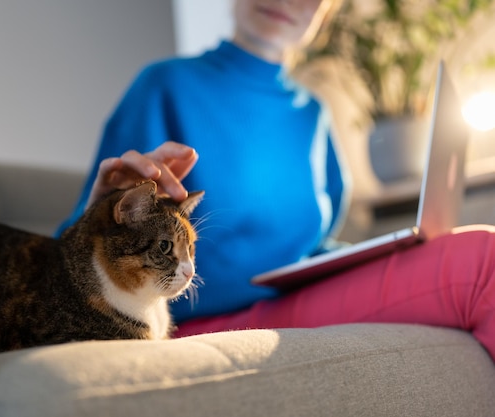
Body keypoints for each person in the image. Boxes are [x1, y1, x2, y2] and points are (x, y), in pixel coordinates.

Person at [58, 0, 495, 360]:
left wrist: (385, 253)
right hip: (201, 317)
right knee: (481, 262)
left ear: (324, 11)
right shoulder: (165, 86)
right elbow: (66, 260)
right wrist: (99, 210)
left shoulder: (313, 115)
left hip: (297, 294)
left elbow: (313, 247)